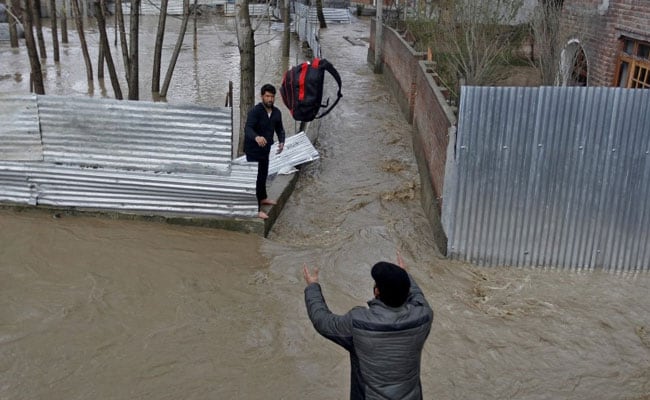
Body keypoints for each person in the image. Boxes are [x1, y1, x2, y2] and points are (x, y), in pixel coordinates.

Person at [302, 251, 434, 400]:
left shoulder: (359, 323)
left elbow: (323, 321)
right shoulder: (423, 316)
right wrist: (402, 275)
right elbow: (417, 296)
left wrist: (313, 286)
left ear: (376, 291)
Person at [244, 83, 286, 219]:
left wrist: (282, 141)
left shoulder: (277, 112)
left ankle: (262, 198)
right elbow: (248, 128)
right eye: (267, 96)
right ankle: (255, 209)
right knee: (255, 179)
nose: (270, 99)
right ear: (262, 96)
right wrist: (256, 137)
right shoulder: (256, 111)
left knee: (263, 175)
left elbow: (280, 129)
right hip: (253, 150)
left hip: (265, 150)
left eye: (272, 97)